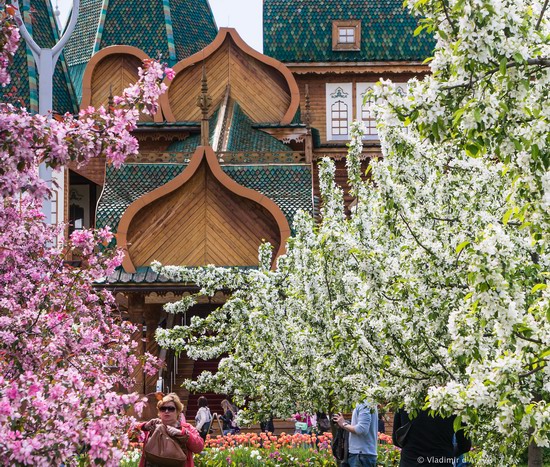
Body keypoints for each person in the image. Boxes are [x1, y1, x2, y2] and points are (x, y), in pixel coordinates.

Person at [138, 393, 204, 467]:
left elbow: (199, 447)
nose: (166, 411)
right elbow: (130, 436)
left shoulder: (187, 428)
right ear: (159, 412)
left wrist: (183, 433)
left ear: (178, 411)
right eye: (163, 408)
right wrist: (144, 426)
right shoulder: (152, 426)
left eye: (171, 408)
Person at [392, 409, 471, 467]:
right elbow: (465, 445)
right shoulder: (454, 405)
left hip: (410, 462)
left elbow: (396, 439)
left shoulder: (406, 401)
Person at [334, 402, 378, 467]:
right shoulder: (368, 402)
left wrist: (343, 424)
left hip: (361, 456)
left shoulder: (363, 403)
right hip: (361, 455)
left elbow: (361, 429)